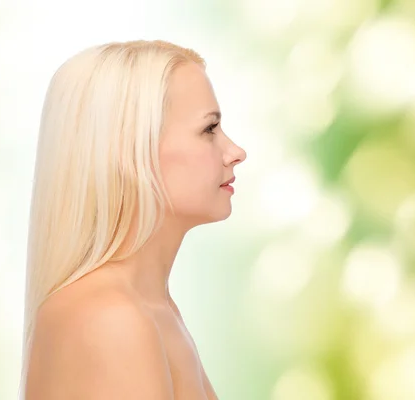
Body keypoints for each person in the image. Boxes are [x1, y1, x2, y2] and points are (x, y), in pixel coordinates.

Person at [19, 40, 247, 399]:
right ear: (134, 150)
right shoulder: (110, 318)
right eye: (209, 129)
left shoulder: (151, 308)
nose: (236, 152)